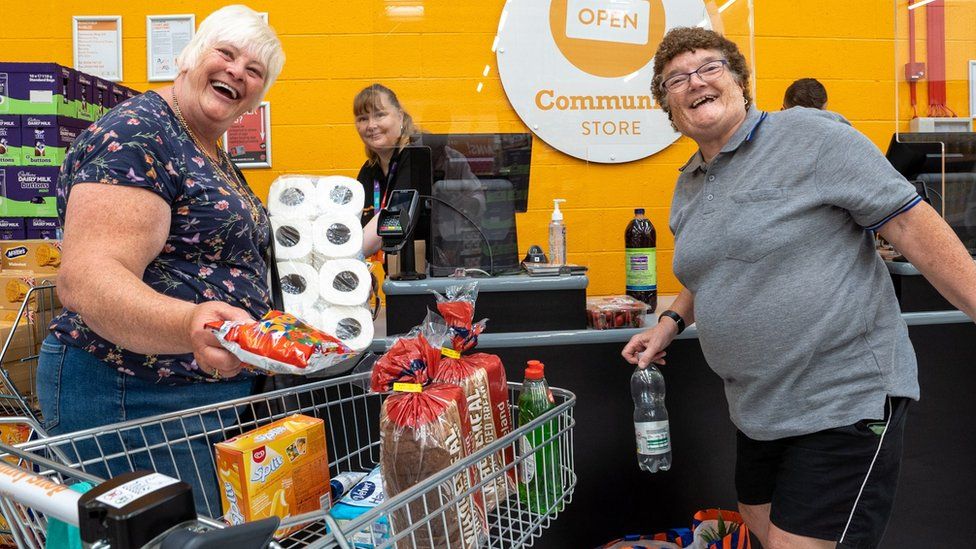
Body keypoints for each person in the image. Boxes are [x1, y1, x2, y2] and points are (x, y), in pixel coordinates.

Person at [623, 27, 976, 549]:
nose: (695, 81)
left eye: (710, 67)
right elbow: (714, 271)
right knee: (759, 523)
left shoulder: (809, 135)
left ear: (741, 82)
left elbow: (909, 224)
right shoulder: (690, 183)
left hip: (842, 398)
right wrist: (670, 324)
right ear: (669, 108)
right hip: (759, 411)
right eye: (677, 78)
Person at [39, 4, 284, 516]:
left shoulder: (207, 147)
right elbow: (88, 278)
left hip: (194, 397)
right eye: (226, 53)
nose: (238, 71)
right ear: (189, 58)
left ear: (258, 96)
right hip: (135, 394)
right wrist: (190, 323)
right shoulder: (140, 134)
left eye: (255, 70)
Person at [353, 83, 477, 257]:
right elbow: (357, 227)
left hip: (445, 270)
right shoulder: (368, 171)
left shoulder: (420, 153)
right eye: (362, 118)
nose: (371, 125)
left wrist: (350, 257)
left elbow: (395, 218)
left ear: (400, 117)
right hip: (401, 273)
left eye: (380, 115)